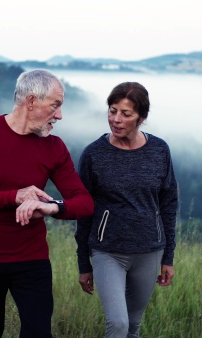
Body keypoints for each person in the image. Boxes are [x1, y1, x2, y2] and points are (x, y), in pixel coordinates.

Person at [0, 69, 94, 338]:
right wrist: (14, 196)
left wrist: (53, 207)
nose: (60, 115)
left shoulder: (54, 147)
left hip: (31, 260)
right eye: (56, 105)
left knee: (38, 333)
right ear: (32, 101)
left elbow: (84, 203)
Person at [74, 82, 178, 338]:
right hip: (107, 252)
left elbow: (169, 204)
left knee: (133, 326)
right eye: (112, 111)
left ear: (141, 118)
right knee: (118, 324)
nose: (116, 119)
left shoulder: (159, 150)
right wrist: (82, 263)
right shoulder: (93, 154)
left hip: (149, 251)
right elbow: (83, 210)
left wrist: (168, 257)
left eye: (126, 114)